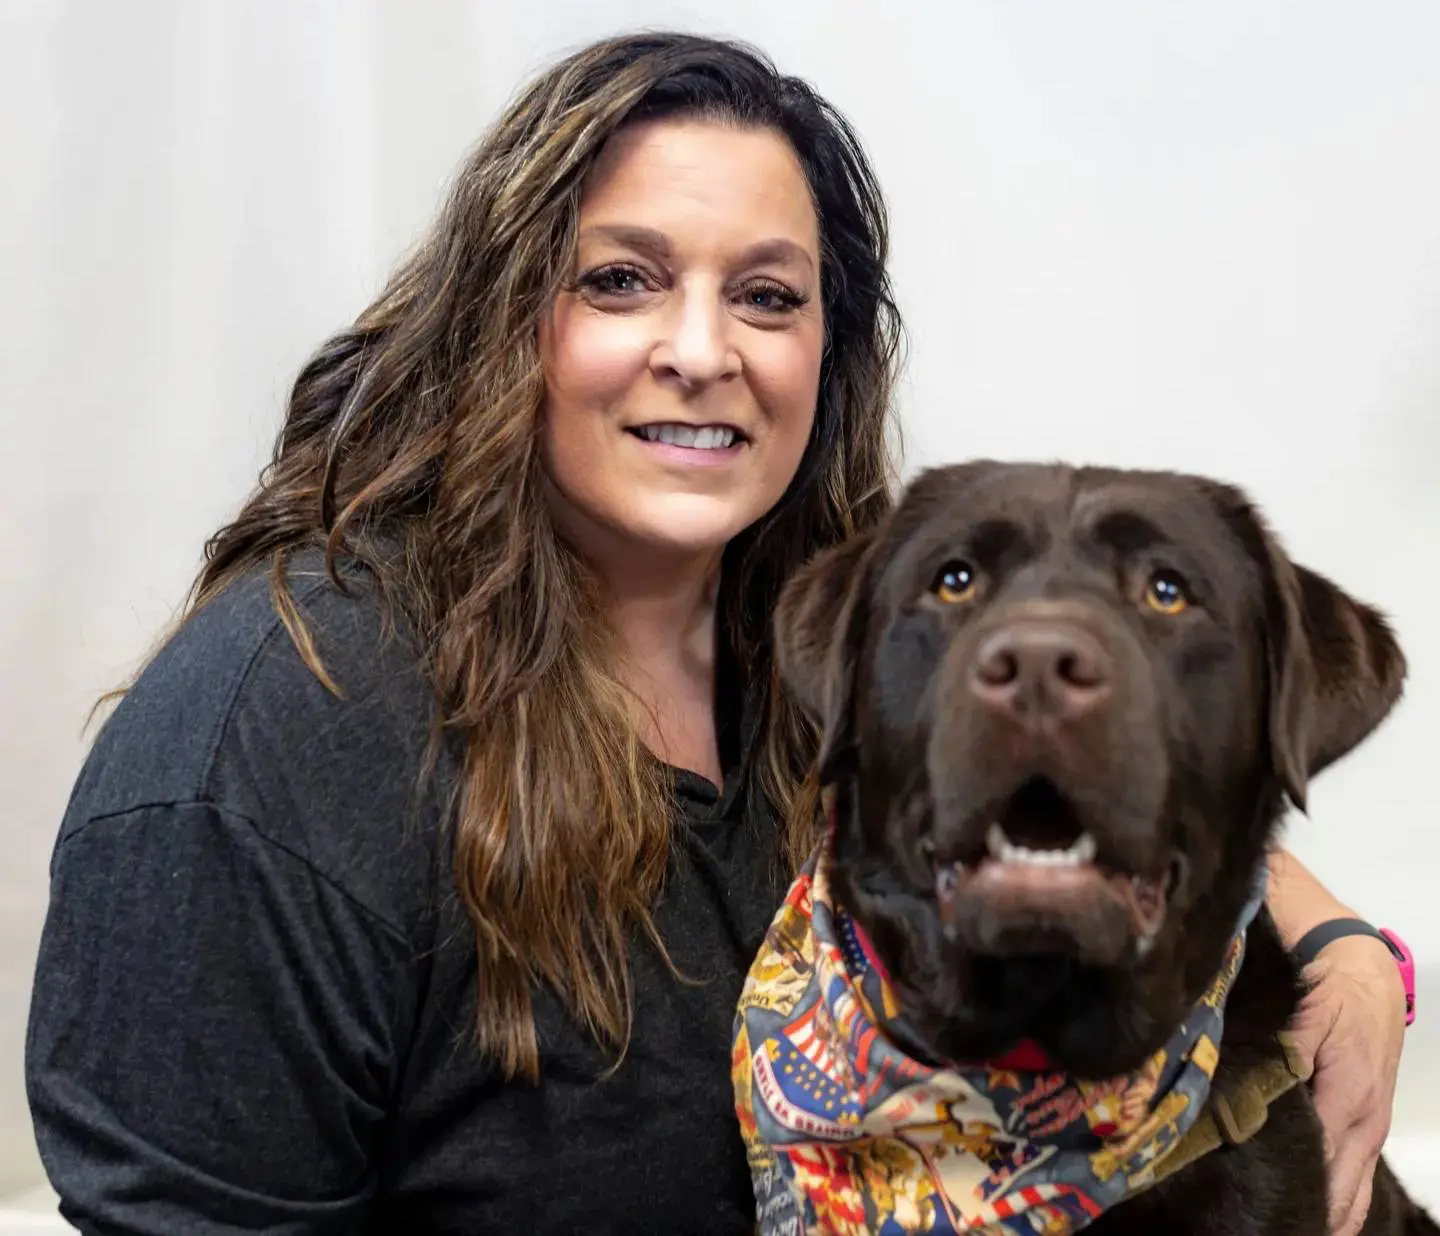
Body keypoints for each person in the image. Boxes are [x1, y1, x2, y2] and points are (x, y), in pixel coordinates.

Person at [25, 30, 1407, 1236]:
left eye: (767, 295)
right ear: (503, 317)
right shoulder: (287, 722)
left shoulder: (817, 625)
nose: (702, 348)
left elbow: (1071, 763)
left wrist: (1348, 948)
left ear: (830, 350)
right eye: (621, 280)